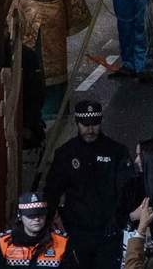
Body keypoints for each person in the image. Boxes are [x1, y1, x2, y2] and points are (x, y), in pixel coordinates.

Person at [44, 101, 129, 269]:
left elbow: (125, 190)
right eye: (85, 125)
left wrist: (118, 219)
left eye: (95, 125)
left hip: (107, 229)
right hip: (75, 228)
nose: (90, 130)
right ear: (77, 123)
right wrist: (48, 220)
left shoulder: (116, 151)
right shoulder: (66, 153)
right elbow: (52, 190)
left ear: (101, 122)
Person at [14, 0, 92, 125]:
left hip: (30, 11)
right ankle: (51, 106)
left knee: (46, 60)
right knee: (37, 60)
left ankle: (41, 106)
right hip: (51, 14)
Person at [0, 192, 76, 269]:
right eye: (31, 215)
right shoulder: (5, 242)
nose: (36, 219)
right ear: (20, 216)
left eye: (40, 215)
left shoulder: (62, 242)